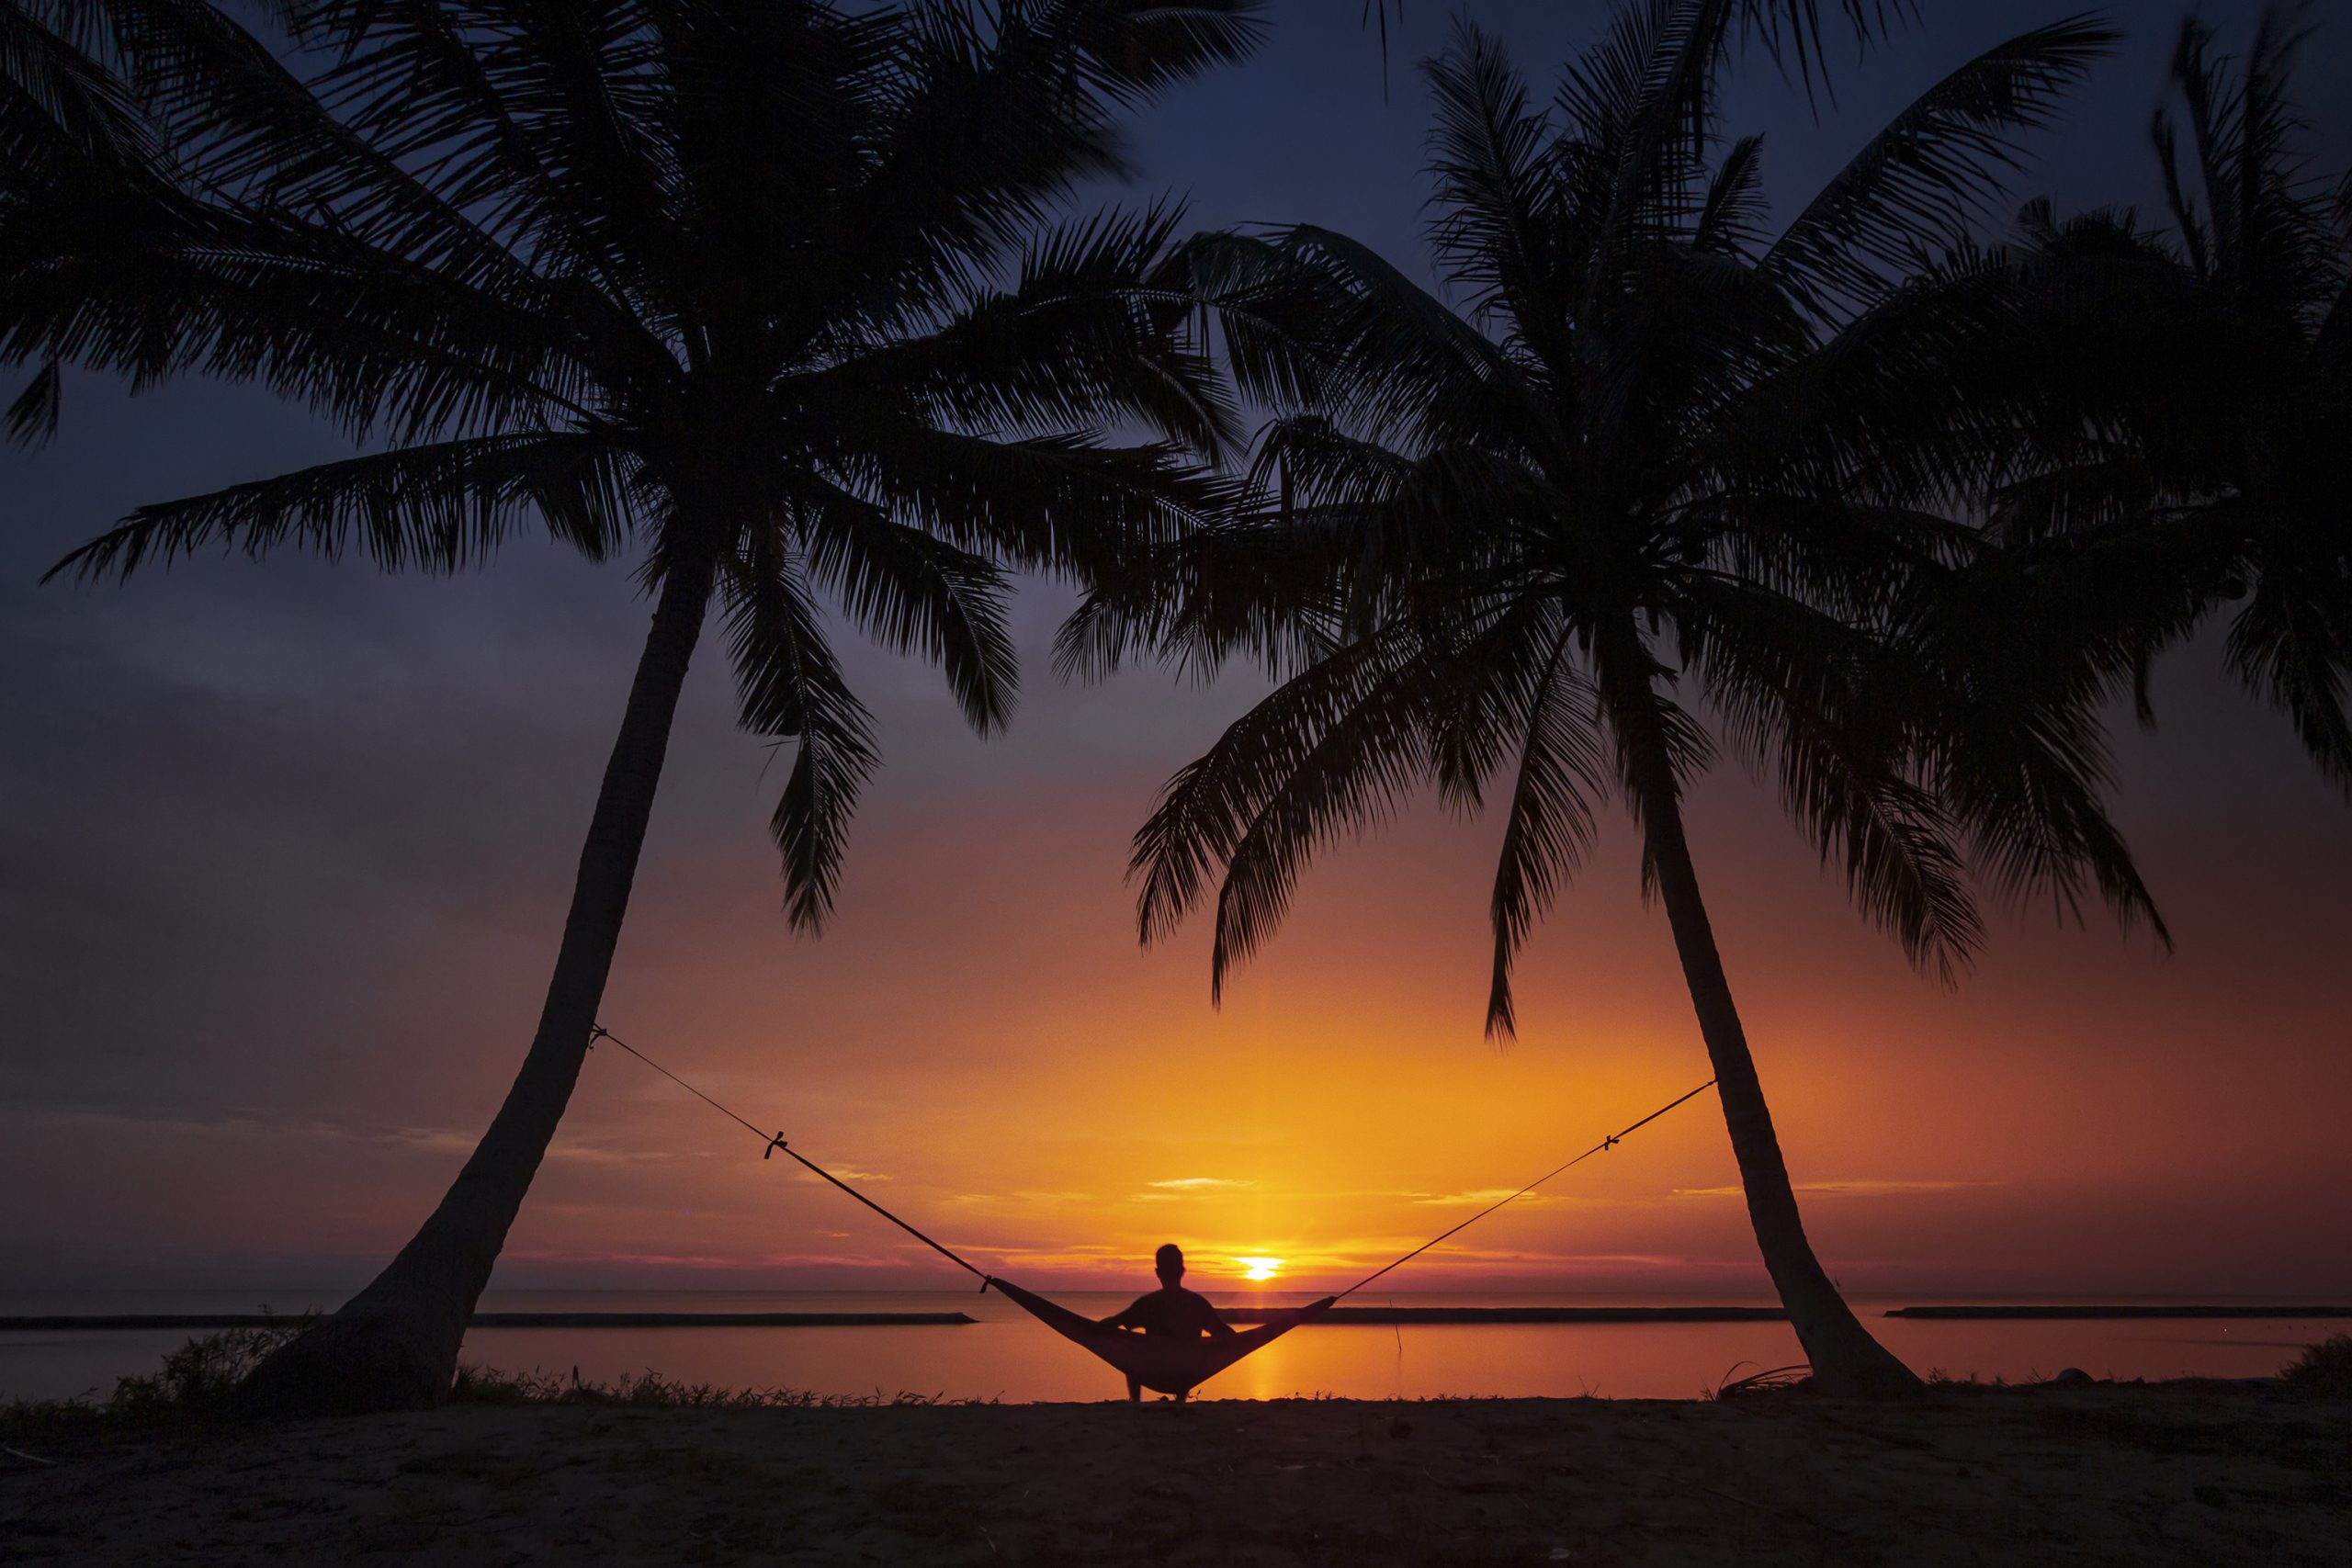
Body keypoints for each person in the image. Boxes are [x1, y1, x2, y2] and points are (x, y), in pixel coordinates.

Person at [1101, 1243, 1232, 1402]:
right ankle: (1180, 1400)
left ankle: (1135, 1401)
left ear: (1158, 1272)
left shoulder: (1148, 1304)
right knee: (1193, 1351)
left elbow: (1114, 1323)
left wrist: (1088, 1329)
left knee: (1130, 1348)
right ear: (1182, 1271)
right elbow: (1223, 1332)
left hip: (1152, 1371)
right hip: (1186, 1374)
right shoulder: (1197, 1304)